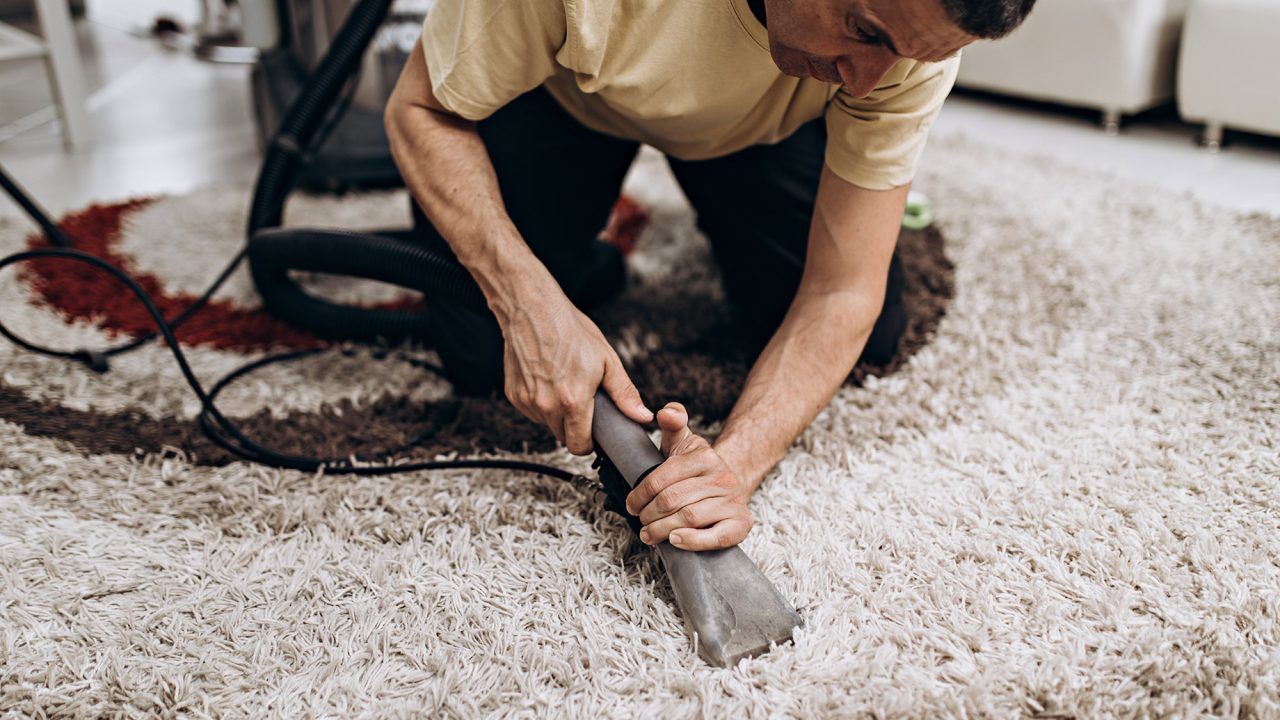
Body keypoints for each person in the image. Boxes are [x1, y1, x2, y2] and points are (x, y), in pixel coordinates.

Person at [385, 0, 1036, 552]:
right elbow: (418, 109)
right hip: (563, 94)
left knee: (873, 334)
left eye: (903, 58)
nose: (867, 83)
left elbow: (841, 291)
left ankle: (871, 209)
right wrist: (529, 303)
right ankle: (592, 250)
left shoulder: (903, 39)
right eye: (864, 30)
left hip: (763, 131)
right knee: (484, 353)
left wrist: (730, 468)